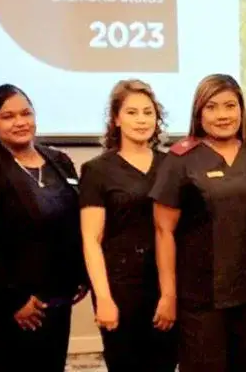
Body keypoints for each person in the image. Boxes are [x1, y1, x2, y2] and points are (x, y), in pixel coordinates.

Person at [150, 74, 246, 372]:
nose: (223, 115)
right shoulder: (180, 159)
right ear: (199, 113)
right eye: (212, 107)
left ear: (241, 110)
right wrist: (168, 294)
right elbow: (163, 230)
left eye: (230, 106)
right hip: (200, 295)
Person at [0, 84, 89, 372]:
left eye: (26, 113)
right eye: (8, 116)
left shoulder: (59, 161)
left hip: (58, 296)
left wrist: (80, 274)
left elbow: (74, 221)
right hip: (18, 304)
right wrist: (14, 300)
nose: (20, 122)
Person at [79, 80, 178, 370]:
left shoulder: (172, 165)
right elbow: (91, 240)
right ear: (116, 118)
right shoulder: (97, 170)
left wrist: (170, 294)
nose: (141, 120)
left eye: (148, 112)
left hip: (165, 286)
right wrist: (104, 299)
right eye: (132, 112)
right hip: (119, 290)